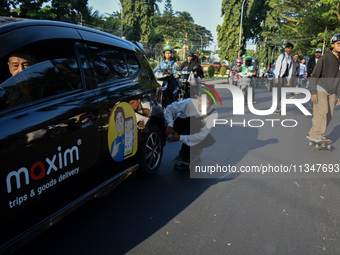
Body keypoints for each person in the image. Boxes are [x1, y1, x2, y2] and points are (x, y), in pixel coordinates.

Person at [165, 93, 218, 163]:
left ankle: (189, 149)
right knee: (194, 121)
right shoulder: (190, 102)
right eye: (201, 101)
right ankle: (187, 152)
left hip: (193, 129)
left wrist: (180, 138)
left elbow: (202, 135)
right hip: (180, 125)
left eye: (206, 103)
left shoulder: (213, 114)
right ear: (198, 98)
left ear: (211, 104)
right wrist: (170, 124)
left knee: (210, 140)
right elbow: (169, 108)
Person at [307, 34, 340, 143]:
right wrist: (313, 92)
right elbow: (315, 75)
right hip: (321, 88)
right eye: (338, 44)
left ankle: (312, 133)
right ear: (333, 45)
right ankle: (317, 135)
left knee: (329, 115)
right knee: (322, 112)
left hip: (332, 91)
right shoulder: (325, 58)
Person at [273, 42, 294, 114]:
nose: (289, 49)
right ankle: (275, 107)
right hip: (279, 77)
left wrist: (289, 79)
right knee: (278, 92)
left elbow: (290, 69)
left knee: (282, 93)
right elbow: (278, 66)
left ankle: (277, 106)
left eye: (290, 48)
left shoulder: (291, 58)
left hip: (285, 77)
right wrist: (276, 77)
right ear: (285, 49)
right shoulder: (282, 56)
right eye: (288, 48)